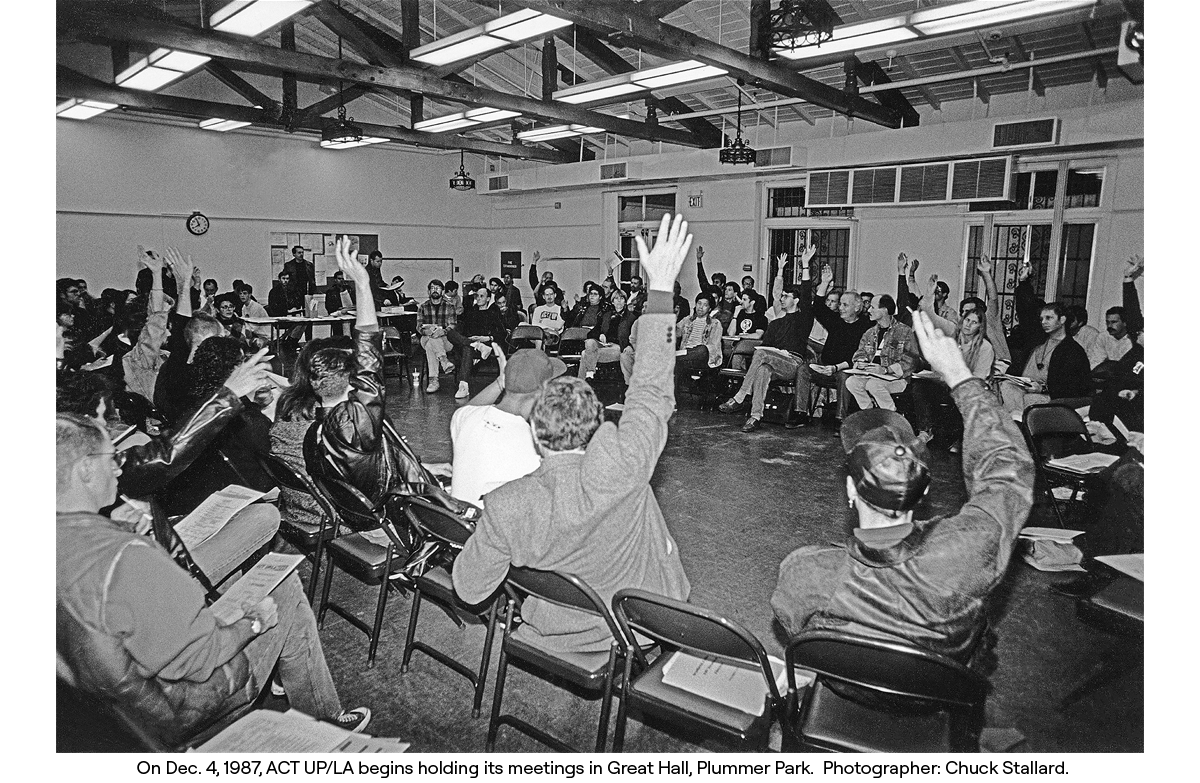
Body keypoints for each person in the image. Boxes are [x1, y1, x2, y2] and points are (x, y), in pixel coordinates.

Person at [452, 213, 693, 654]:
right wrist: (660, 290)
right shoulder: (627, 468)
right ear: (598, 423)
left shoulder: (506, 506)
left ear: (536, 433)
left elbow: (469, 590)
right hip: (637, 628)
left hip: (550, 634)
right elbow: (652, 389)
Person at [56, 414, 371, 747]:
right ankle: (326, 726)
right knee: (284, 588)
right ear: (86, 470)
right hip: (180, 707)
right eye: (112, 458)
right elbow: (200, 661)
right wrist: (254, 622)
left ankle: (317, 720)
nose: (119, 469)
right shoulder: (128, 558)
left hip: (117, 715)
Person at [771, 310, 1034, 665]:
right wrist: (960, 377)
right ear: (924, 492)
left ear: (851, 489)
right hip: (938, 698)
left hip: (847, 693)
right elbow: (1008, 472)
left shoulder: (807, 572)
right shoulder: (968, 550)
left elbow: (794, 626)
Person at [450, 348, 567, 509]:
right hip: (494, 527)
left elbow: (467, 409)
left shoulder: (466, 418)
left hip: (458, 521)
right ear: (542, 391)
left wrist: (500, 382)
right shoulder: (529, 442)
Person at [717, 245, 818, 432]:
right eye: (782, 296)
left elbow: (805, 294)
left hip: (793, 363)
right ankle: (755, 416)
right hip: (774, 361)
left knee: (762, 355)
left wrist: (805, 265)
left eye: (786, 296)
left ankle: (740, 396)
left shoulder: (804, 319)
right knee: (762, 369)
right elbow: (766, 345)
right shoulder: (776, 323)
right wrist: (779, 271)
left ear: (795, 301)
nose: (781, 298)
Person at [798, 269, 873, 428]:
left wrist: (835, 368)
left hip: (842, 369)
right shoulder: (835, 320)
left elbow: (858, 357)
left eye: (845, 305)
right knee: (803, 369)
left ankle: (841, 420)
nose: (840, 308)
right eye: (840, 304)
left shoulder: (865, 327)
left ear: (857, 308)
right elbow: (818, 307)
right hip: (824, 366)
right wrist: (824, 283)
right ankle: (800, 413)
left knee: (845, 376)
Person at [910, 308, 995, 449]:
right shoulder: (952, 339)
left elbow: (979, 378)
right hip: (945, 383)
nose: (968, 325)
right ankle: (925, 431)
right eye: (967, 320)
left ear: (980, 326)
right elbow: (937, 365)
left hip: (968, 386)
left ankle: (962, 438)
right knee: (920, 387)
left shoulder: (985, 347)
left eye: (974, 322)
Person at [997, 302, 1091, 413]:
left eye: (1049, 318)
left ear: (1062, 320)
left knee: (1028, 400)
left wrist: (1042, 389)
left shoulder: (1073, 350)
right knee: (1006, 386)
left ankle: (1019, 420)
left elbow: (1073, 387)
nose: (1043, 322)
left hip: (1050, 397)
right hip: (1025, 388)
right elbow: (1018, 369)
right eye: (1041, 319)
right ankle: (1017, 418)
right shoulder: (1037, 343)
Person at [844, 294, 918, 413]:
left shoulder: (904, 331)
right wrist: (861, 362)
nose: (869, 310)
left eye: (873, 307)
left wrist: (886, 370)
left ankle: (891, 415)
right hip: (872, 376)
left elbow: (911, 360)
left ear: (884, 310)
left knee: (873, 385)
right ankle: (869, 412)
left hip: (897, 379)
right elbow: (860, 352)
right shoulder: (870, 332)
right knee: (851, 382)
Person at [446, 284, 508, 399]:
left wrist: (487, 338)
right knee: (450, 333)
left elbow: (502, 333)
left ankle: (463, 387)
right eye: (477, 296)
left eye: (481, 296)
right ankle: (475, 345)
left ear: (488, 299)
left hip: (486, 344)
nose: (478, 298)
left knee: (467, 348)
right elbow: (462, 330)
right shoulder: (471, 313)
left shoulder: (493, 313)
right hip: (470, 342)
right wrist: (469, 339)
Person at [581, 288, 635, 382]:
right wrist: (600, 335)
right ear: (612, 302)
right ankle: (589, 373)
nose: (618, 301)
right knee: (590, 342)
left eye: (621, 298)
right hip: (603, 345)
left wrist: (630, 346)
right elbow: (591, 333)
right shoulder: (606, 315)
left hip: (618, 347)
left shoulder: (631, 318)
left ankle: (583, 381)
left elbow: (635, 336)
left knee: (585, 354)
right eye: (616, 298)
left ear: (625, 302)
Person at [674, 291, 724, 390]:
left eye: (705, 305)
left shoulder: (715, 323)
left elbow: (714, 346)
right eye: (699, 303)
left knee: (702, 349)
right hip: (686, 357)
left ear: (709, 309)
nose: (700, 307)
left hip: (702, 358)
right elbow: (674, 333)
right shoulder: (687, 320)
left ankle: (677, 356)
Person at [417, 279, 458, 394]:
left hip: (446, 340)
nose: (435, 290)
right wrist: (427, 331)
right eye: (432, 288)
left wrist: (443, 331)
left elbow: (453, 325)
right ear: (429, 291)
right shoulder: (422, 307)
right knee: (431, 339)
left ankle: (433, 381)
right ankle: (444, 361)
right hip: (426, 337)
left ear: (442, 291)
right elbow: (418, 327)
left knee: (432, 343)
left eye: (438, 288)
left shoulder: (449, 306)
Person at [531, 284, 565, 349]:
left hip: (553, 335)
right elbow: (534, 324)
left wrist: (542, 323)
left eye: (551, 294)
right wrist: (549, 327)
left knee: (541, 338)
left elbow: (558, 326)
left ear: (555, 295)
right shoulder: (538, 309)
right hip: (540, 333)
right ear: (543, 296)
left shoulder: (560, 309)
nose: (549, 296)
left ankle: (539, 357)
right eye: (547, 295)